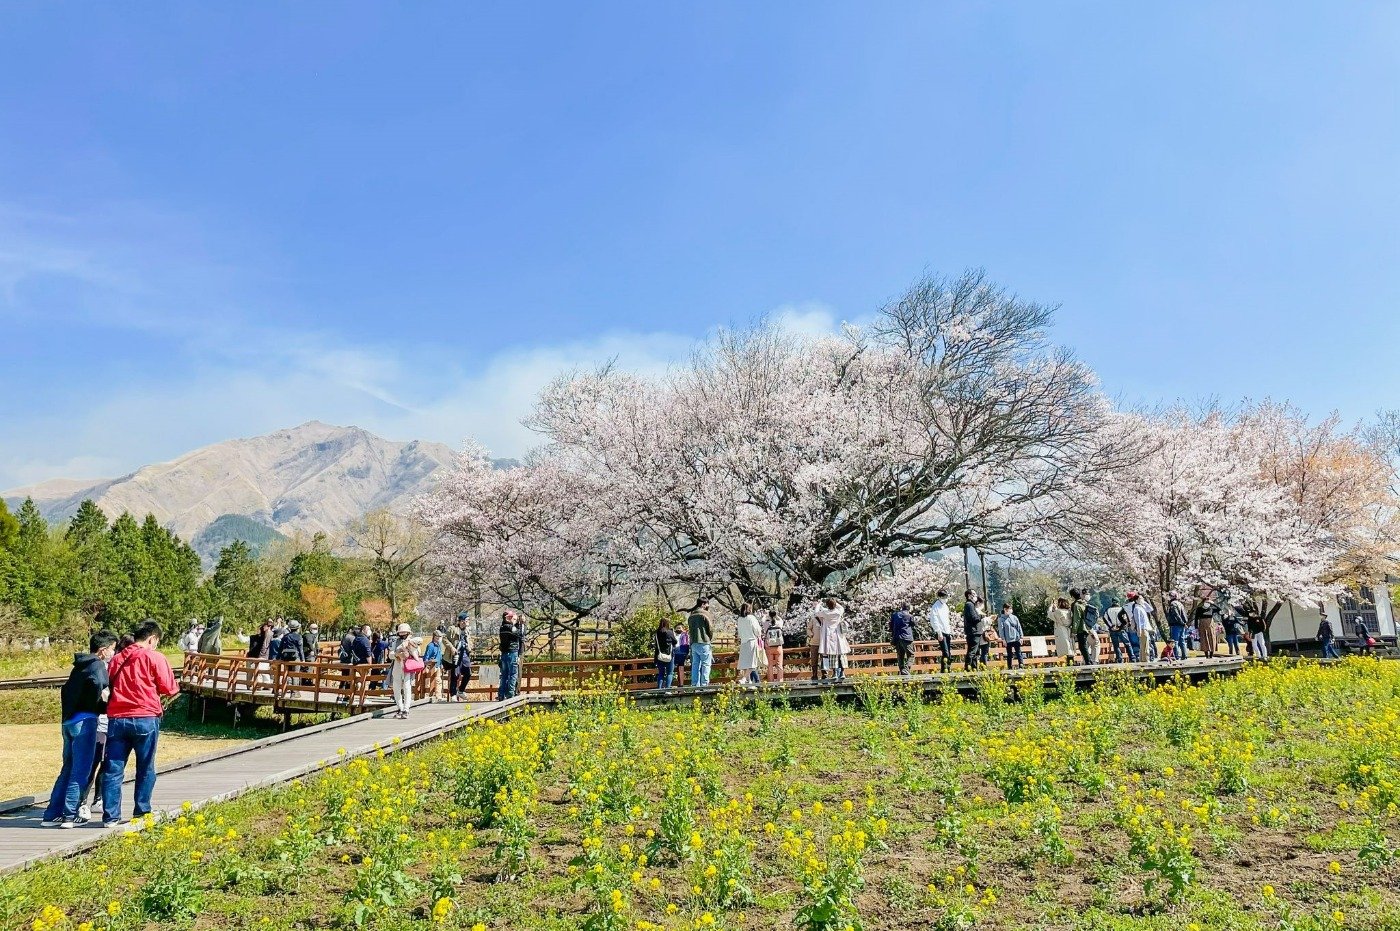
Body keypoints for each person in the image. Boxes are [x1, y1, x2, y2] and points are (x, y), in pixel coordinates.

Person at [101, 620, 179, 826]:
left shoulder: (117, 659)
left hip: (117, 718)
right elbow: (170, 688)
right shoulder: (155, 657)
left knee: (113, 768)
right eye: (157, 641)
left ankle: (110, 815)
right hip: (145, 717)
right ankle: (142, 811)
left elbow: (108, 682)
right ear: (152, 638)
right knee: (145, 767)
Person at [41, 631, 117, 827]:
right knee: (80, 770)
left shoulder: (79, 666)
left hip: (68, 722)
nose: (113, 653)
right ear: (103, 650)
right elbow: (100, 687)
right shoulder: (98, 665)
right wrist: (104, 704)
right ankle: (70, 814)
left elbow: (66, 691)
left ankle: (51, 814)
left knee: (67, 768)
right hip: (85, 722)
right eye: (112, 649)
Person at [811, 597, 850, 681]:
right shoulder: (838, 612)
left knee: (832, 655)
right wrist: (835, 603)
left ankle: (835, 673)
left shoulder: (825, 613)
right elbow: (841, 607)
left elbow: (816, 612)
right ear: (835, 605)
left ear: (827, 605)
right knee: (841, 654)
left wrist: (819, 604)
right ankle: (842, 673)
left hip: (830, 636)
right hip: (839, 635)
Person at [388, 624, 420, 718]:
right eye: (401, 632)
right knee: (396, 687)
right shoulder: (395, 642)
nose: (402, 634)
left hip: (408, 667)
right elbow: (390, 655)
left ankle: (406, 709)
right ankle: (400, 708)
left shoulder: (412, 641)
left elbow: (418, 653)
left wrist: (408, 652)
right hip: (397, 666)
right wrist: (398, 655)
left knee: (407, 687)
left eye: (404, 632)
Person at [497, 611, 524, 700]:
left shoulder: (502, 627)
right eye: (513, 618)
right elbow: (520, 634)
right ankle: (510, 693)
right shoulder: (511, 628)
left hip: (504, 653)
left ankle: (501, 694)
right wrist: (520, 625)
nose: (514, 620)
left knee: (504, 674)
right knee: (513, 673)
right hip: (512, 652)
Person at [687, 600, 715, 687]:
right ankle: (704, 684)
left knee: (695, 665)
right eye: (706, 604)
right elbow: (710, 629)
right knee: (706, 664)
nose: (707, 605)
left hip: (694, 643)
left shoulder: (691, 616)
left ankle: (695, 684)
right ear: (703, 604)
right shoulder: (705, 614)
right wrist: (709, 638)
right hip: (704, 642)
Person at [736, 603, 764, 686]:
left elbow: (739, 632)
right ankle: (744, 679)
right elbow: (758, 631)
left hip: (743, 642)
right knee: (752, 663)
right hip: (751, 641)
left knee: (745, 663)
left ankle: (750, 682)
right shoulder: (751, 618)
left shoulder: (740, 619)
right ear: (749, 609)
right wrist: (758, 635)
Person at [448, 613, 474, 701]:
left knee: (468, 672)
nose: (468, 622)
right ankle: (453, 694)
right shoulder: (453, 629)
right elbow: (445, 639)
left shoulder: (467, 631)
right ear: (462, 621)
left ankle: (461, 690)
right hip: (456, 653)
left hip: (465, 654)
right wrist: (451, 648)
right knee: (455, 674)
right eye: (466, 620)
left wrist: (469, 646)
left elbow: (470, 641)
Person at [1070, 589, 1099, 665]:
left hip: (1081, 628)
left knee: (1082, 646)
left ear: (1072, 596)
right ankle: (1089, 661)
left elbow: (1077, 619)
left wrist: (1074, 631)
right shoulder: (1084, 603)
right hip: (1087, 627)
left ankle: (1088, 662)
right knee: (1084, 645)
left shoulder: (1076, 605)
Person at [928, 590, 953, 673]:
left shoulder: (945, 606)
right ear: (939, 597)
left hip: (947, 631)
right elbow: (934, 621)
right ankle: (944, 671)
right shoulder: (935, 607)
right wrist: (939, 632)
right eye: (944, 597)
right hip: (941, 632)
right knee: (945, 652)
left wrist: (949, 631)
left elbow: (947, 620)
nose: (946, 599)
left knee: (948, 652)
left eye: (946, 597)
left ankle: (947, 669)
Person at [890, 602, 916, 675]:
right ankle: (906, 669)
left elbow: (891, 625)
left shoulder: (895, 615)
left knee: (900, 655)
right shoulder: (909, 616)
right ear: (909, 608)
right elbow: (913, 624)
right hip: (906, 637)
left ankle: (902, 670)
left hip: (897, 637)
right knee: (911, 655)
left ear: (902, 607)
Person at [997, 603, 1024, 670]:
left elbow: (1019, 627)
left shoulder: (1014, 617)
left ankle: (1021, 665)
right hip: (1008, 639)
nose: (1010, 610)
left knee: (1018, 652)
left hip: (1016, 637)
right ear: (1005, 609)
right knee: (1009, 654)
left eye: (1011, 609)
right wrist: (1003, 639)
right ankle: (1009, 667)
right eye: (1009, 609)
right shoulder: (1001, 619)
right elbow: (1001, 630)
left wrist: (1021, 637)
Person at [962, 590, 984, 671]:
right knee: (972, 652)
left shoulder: (971, 605)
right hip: (973, 631)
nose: (976, 596)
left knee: (975, 652)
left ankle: (974, 669)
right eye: (974, 594)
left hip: (975, 631)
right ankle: (967, 669)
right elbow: (974, 618)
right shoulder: (969, 605)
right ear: (969, 595)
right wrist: (982, 616)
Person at [1166, 593, 1191, 663]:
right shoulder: (1180, 604)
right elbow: (1184, 615)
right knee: (1182, 641)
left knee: (1175, 641)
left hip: (1175, 624)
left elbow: (1176, 614)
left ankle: (1176, 656)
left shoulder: (1173, 604)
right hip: (1182, 625)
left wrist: (1181, 622)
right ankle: (1184, 655)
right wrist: (1184, 623)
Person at [655, 615, 678, 689]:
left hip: (659, 655)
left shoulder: (657, 633)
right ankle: (667, 689)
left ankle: (659, 689)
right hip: (669, 655)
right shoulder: (669, 632)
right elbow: (675, 641)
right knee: (669, 673)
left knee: (661, 673)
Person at [1049, 596, 1074, 665]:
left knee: (1065, 648)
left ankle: (1069, 663)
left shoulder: (1058, 611)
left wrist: (1051, 606)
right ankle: (1071, 662)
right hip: (1069, 630)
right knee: (1070, 647)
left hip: (1061, 631)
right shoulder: (1069, 611)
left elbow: (1050, 614)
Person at [763, 610, 784, 683]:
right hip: (778, 646)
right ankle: (780, 681)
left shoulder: (766, 624)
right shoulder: (779, 623)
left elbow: (763, 620)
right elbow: (781, 619)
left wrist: (766, 615)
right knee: (779, 665)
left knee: (770, 665)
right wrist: (776, 615)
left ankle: (770, 681)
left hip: (769, 646)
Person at [422, 630, 444, 701]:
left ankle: (438, 695)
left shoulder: (439, 646)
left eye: (440, 637)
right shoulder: (430, 646)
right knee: (429, 681)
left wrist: (441, 664)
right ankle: (427, 695)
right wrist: (427, 664)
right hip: (431, 666)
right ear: (434, 637)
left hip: (437, 666)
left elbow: (440, 656)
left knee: (438, 680)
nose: (439, 638)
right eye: (438, 637)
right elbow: (426, 656)